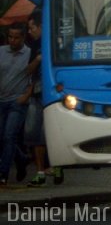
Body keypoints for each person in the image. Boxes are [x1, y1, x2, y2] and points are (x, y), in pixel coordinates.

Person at [25, 10, 63, 186]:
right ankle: (40, 171)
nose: (30, 31)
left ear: (41, 26)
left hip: (54, 92)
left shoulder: (56, 41)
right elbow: (29, 70)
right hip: (37, 93)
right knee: (33, 132)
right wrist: (39, 59)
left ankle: (57, 166)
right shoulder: (34, 46)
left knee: (51, 132)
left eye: (32, 27)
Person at [0, 23, 32, 185]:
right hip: (1, 99)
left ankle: (3, 173)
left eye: (16, 37)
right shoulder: (1, 52)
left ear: (23, 37)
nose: (12, 40)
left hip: (17, 101)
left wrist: (26, 96)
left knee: (9, 135)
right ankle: (21, 158)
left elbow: (35, 78)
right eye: (10, 37)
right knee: (3, 138)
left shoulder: (29, 54)